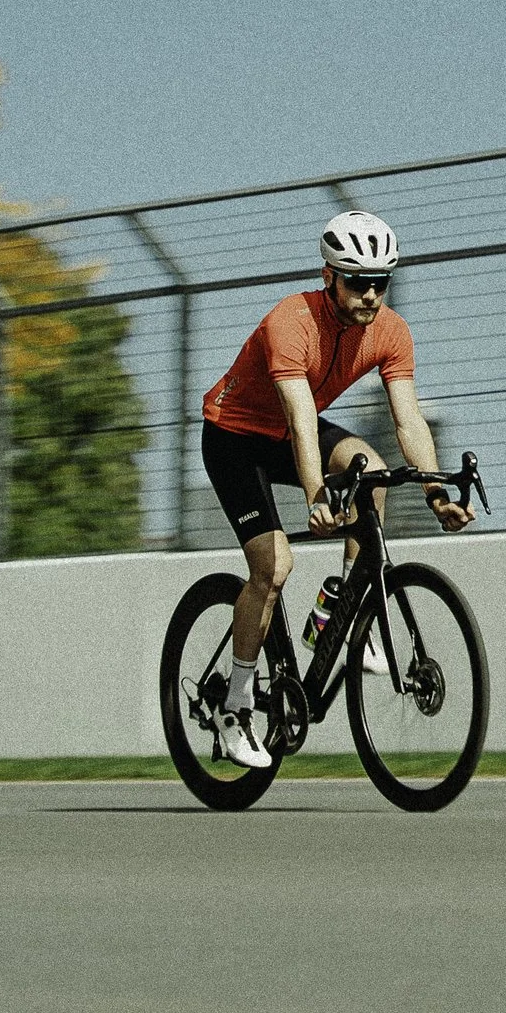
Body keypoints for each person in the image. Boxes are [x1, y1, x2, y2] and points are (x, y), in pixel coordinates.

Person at [198, 209, 472, 768]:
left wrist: (435, 493)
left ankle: (337, 608)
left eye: (381, 282)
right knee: (273, 568)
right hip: (235, 437)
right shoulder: (291, 322)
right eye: (357, 281)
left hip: (284, 430)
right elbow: (300, 419)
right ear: (329, 277)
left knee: (371, 469)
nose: (371, 294)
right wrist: (316, 496)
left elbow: (408, 421)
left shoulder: (392, 332)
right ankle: (235, 706)